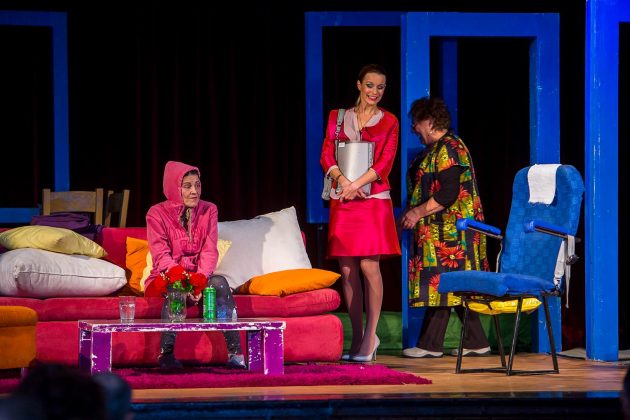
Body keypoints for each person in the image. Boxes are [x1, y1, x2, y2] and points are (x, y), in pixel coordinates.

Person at [320, 64, 401, 362]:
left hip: (373, 199)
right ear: (359, 85)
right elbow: (326, 154)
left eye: (380, 87)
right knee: (347, 270)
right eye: (369, 85)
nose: (374, 92)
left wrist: (357, 184)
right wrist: (345, 183)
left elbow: (385, 162)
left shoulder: (389, 121)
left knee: (369, 266)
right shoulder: (338, 117)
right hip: (344, 198)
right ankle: (357, 336)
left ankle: (371, 336)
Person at [400, 97, 491, 358]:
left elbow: (448, 193)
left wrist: (417, 212)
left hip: (453, 233)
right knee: (453, 286)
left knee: (445, 284)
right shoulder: (435, 150)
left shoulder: (450, 148)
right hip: (443, 231)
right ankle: (476, 341)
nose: (413, 128)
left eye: (416, 122)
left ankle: (430, 345)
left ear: (429, 121)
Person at [144, 160, 245, 369]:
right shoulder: (156, 213)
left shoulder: (209, 210)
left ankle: (236, 355)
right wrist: (185, 281)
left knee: (219, 282)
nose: (194, 191)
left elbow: (209, 250)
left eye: (198, 185)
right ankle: (166, 355)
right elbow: (161, 256)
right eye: (187, 186)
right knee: (176, 288)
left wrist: (199, 282)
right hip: (167, 278)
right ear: (175, 188)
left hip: (199, 278)